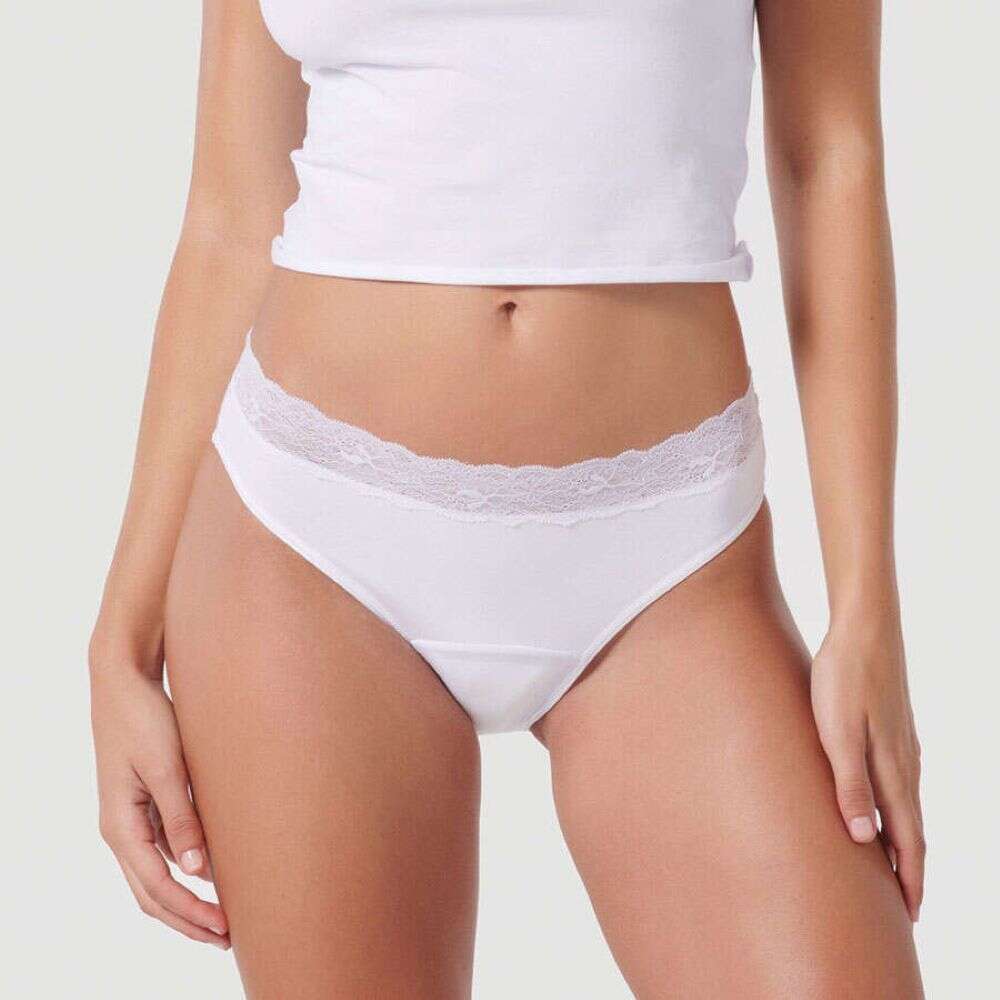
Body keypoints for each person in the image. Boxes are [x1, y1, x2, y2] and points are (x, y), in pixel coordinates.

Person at [89, 1, 925, 996]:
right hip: (309, 537)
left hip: (673, 558)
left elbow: (830, 155)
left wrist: (866, 611)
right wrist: (122, 639)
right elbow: (232, 215)